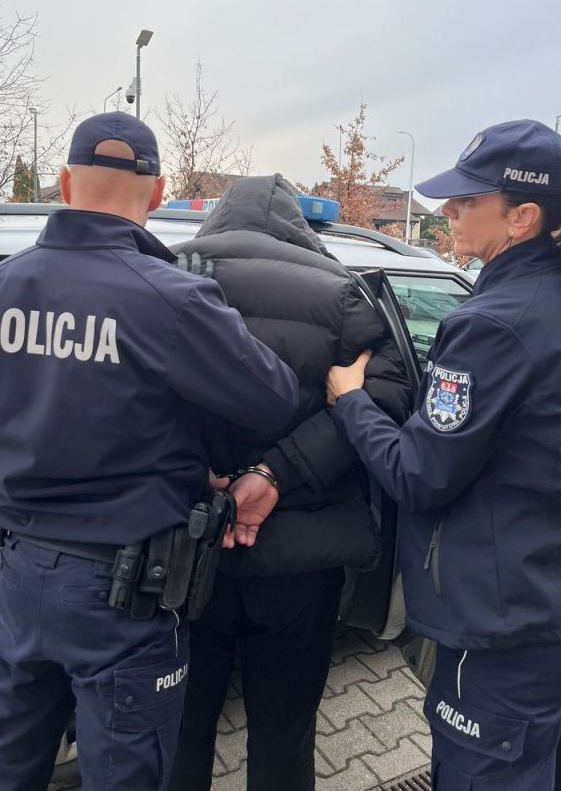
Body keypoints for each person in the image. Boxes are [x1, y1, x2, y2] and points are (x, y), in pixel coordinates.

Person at [0, 114, 299, 791]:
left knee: (5, 771)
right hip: (125, 593)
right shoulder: (174, 298)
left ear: (65, 184)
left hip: (18, 576)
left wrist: (30, 439)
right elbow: (274, 399)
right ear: (158, 194)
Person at [327, 120, 561, 791]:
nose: (447, 210)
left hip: (504, 631)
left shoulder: (493, 324)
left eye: (468, 200)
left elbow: (419, 473)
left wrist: (352, 400)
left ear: (522, 217)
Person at [166, 175, 412, 791]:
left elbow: (129, 399)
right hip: (300, 562)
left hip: (187, 550)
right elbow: (388, 397)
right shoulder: (342, 293)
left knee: (179, 731)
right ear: (295, 227)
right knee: (285, 733)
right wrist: (275, 473)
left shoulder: (168, 276)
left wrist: (199, 472)